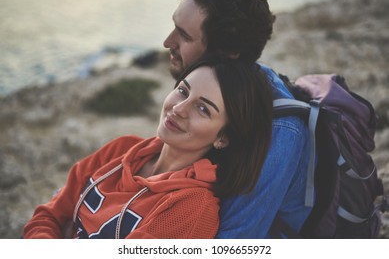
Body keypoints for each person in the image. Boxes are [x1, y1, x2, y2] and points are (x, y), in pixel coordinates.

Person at [23, 58, 273, 239]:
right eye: (183, 90)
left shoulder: (191, 209)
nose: (179, 108)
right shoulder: (122, 149)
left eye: (203, 108)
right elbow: (48, 215)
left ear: (224, 138)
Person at [163, 0, 312, 238]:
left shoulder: (279, 130)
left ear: (228, 52)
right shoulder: (212, 84)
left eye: (184, 36)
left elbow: (236, 241)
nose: (167, 42)